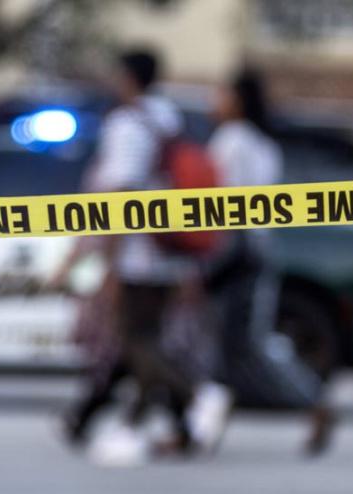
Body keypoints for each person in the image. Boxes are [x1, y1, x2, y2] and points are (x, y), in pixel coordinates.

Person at [55, 49, 228, 465]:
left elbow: (121, 195)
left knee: (136, 339)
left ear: (127, 77)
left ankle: (197, 396)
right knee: (143, 339)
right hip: (173, 246)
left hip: (141, 252)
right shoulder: (167, 118)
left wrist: (109, 262)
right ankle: (154, 425)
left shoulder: (127, 125)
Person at [206, 68, 336, 455]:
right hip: (256, 249)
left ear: (238, 100)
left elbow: (221, 204)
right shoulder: (263, 144)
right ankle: (201, 428)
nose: (215, 102)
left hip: (237, 252)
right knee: (225, 345)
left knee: (245, 342)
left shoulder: (233, 141)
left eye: (221, 93)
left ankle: (313, 402)